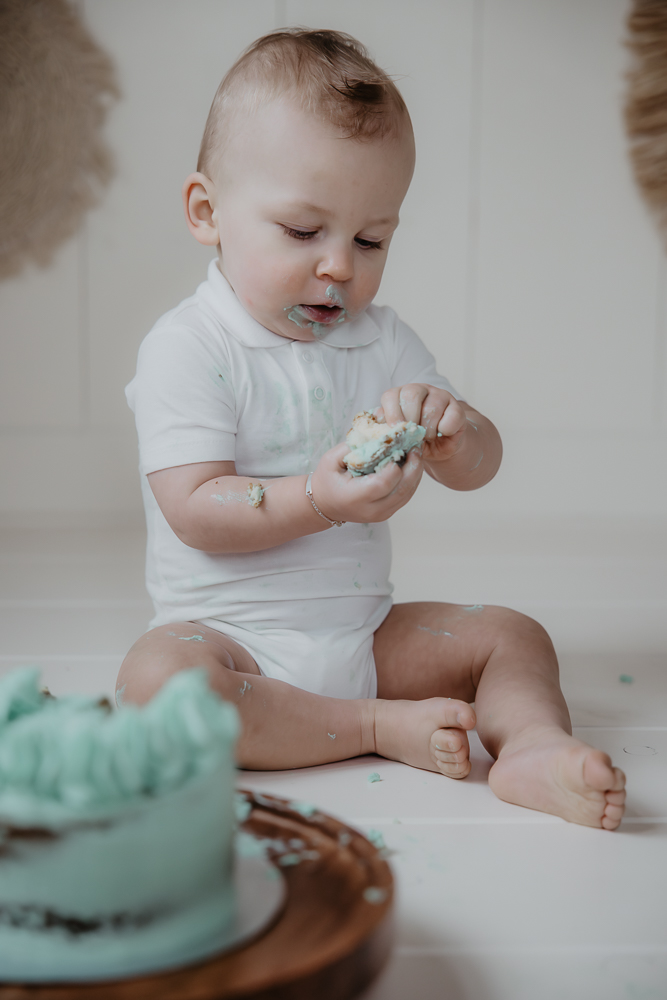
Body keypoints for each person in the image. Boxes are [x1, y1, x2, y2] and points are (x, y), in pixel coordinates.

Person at [120, 29, 626, 830]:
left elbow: (479, 465)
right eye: (301, 232)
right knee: (158, 686)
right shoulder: (190, 346)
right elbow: (194, 508)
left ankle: (529, 745)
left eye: (369, 240)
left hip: (362, 636)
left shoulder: (381, 339)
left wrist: (457, 434)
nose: (338, 267)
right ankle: (375, 729)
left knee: (509, 635)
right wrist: (317, 499)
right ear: (207, 212)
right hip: (231, 642)